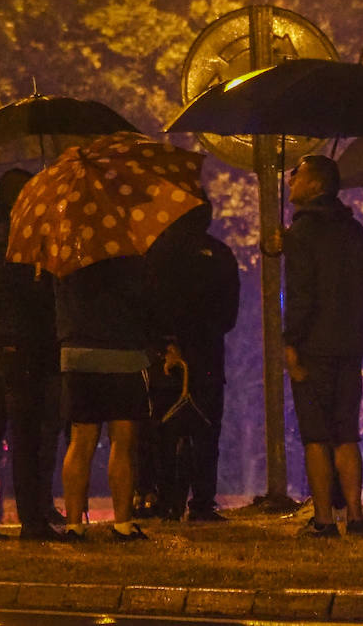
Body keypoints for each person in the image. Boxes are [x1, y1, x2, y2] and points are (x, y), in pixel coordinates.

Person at [283, 155, 363, 537]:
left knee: (317, 436)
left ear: (316, 185)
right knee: (347, 433)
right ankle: (355, 514)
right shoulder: (354, 231)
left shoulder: (302, 234)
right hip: (350, 343)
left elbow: (302, 294)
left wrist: (291, 341)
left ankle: (323, 518)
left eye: (297, 175)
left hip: (314, 346)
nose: (290, 181)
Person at [0, 169, 62, 541]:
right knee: (26, 434)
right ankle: (33, 521)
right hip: (18, 344)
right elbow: (28, 295)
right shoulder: (18, 237)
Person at [58, 253, 171, 542]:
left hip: (78, 352)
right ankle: (123, 524)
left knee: (80, 440)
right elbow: (149, 304)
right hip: (124, 355)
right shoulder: (129, 256)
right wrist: (159, 344)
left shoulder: (69, 257)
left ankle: (74, 525)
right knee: (123, 441)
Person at [144, 201, 239, 521]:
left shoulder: (156, 253)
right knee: (206, 430)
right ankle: (202, 502)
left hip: (166, 355)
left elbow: (149, 306)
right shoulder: (221, 254)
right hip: (208, 353)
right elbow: (229, 315)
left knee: (162, 429)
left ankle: (164, 498)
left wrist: (164, 340)